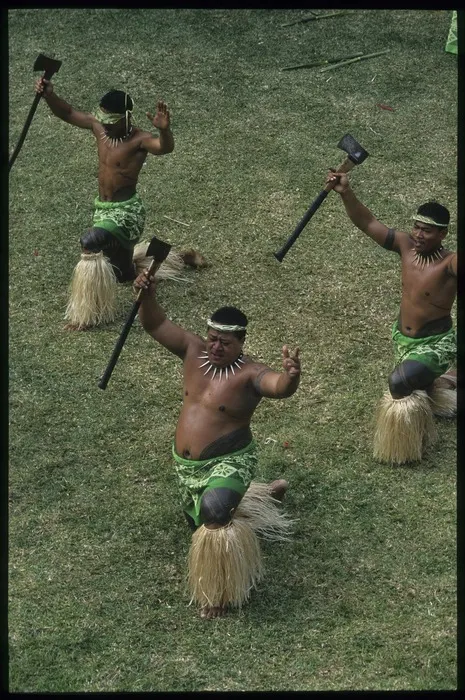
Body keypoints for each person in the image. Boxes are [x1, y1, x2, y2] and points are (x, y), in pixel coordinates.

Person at [134, 267, 301, 618]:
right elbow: (155, 325)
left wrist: (290, 377)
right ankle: (263, 495)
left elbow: (277, 388)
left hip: (229, 460)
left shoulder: (250, 373)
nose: (215, 346)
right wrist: (147, 296)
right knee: (199, 521)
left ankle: (220, 593)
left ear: (241, 342)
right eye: (212, 338)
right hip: (188, 468)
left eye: (225, 343)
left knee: (214, 514)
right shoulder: (193, 352)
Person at [34, 77, 206, 330]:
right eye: (102, 121)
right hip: (103, 210)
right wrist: (49, 94)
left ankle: (88, 314)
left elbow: (163, 147)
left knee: (90, 242)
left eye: (111, 123)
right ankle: (180, 258)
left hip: (126, 213)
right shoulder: (99, 128)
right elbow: (68, 112)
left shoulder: (139, 140)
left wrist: (164, 130)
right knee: (122, 274)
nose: (105, 127)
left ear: (127, 117)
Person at [327, 170, 457, 465]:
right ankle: (448, 383)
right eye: (417, 227)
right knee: (416, 381)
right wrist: (346, 192)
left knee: (399, 382)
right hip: (403, 341)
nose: (419, 234)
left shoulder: (450, 263)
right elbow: (367, 222)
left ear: (443, 234)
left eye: (428, 230)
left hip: (435, 344)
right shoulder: (404, 246)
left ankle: (408, 449)